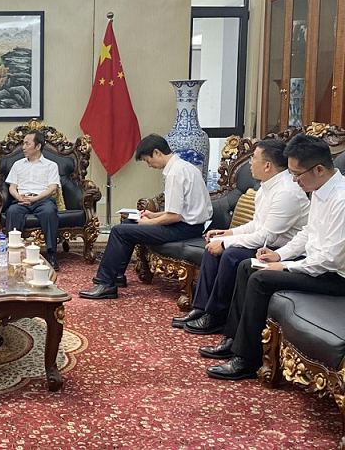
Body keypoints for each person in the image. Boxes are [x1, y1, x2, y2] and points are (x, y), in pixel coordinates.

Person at [204, 134, 345, 380]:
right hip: (317, 266)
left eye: (297, 174)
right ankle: (233, 339)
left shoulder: (340, 200)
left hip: (335, 277)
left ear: (319, 169)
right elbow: (307, 233)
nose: (294, 180)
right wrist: (278, 255)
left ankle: (246, 360)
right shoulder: (320, 188)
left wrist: (286, 267)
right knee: (247, 266)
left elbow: (329, 259)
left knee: (261, 280)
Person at [173, 139, 309, 334]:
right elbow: (257, 224)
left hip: (283, 250)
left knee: (231, 254)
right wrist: (227, 233)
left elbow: (266, 236)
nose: (250, 163)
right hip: (266, 244)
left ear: (268, 165)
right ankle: (202, 308)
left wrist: (226, 244)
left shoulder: (287, 192)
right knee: (214, 245)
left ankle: (217, 315)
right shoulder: (266, 186)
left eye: (253, 158)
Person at [79, 134, 212, 300]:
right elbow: (183, 210)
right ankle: (117, 276)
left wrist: (149, 222)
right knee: (130, 221)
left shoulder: (175, 174)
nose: (149, 165)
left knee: (119, 231)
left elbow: (174, 216)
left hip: (184, 229)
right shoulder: (186, 167)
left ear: (156, 152)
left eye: (147, 160)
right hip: (191, 225)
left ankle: (106, 284)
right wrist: (153, 215)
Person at [4, 130, 61, 271]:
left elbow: (52, 188)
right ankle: (13, 254)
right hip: (22, 200)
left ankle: (52, 255)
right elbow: (12, 187)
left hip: (42, 200)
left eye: (27, 144)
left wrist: (36, 198)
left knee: (49, 212)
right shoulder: (18, 164)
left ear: (38, 146)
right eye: (23, 144)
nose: (23, 147)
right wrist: (18, 197)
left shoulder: (51, 165)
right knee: (12, 212)